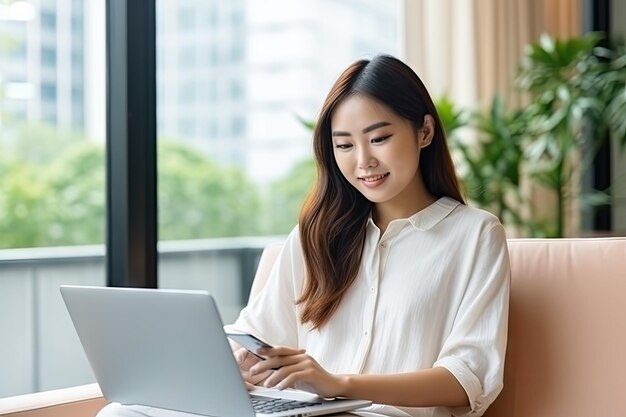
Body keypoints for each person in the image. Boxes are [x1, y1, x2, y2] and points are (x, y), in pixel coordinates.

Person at [98, 54, 510, 417]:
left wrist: (339, 385)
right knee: (122, 412)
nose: (364, 161)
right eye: (344, 145)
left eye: (379, 138)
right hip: (302, 412)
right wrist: (233, 363)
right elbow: (257, 334)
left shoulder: (474, 235)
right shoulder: (317, 233)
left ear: (424, 132)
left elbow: (467, 378)